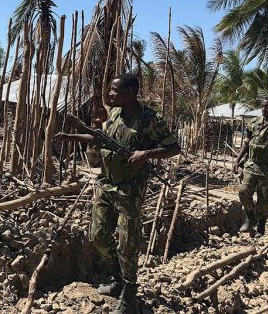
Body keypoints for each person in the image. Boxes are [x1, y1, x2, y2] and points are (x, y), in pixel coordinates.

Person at [53, 73, 180, 314]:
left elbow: (174, 148)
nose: (110, 94)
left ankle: (129, 293)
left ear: (131, 91)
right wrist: (71, 136)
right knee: (97, 235)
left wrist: (146, 154)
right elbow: (99, 138)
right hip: (106, 183)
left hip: (130, 189)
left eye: (115, 90)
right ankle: (116, 278)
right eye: (110, 90)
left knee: (127, 242)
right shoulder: (113, 114)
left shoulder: (150, 119)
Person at [232, 97, 268, 237]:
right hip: (252, 164)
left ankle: (261, 226)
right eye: (262, 106)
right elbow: (246, 143)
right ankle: (250, 216)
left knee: (264, 198)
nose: (263, 109)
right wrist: (237, 160)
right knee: (243, 190)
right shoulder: (253, 123)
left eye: (267, 107)